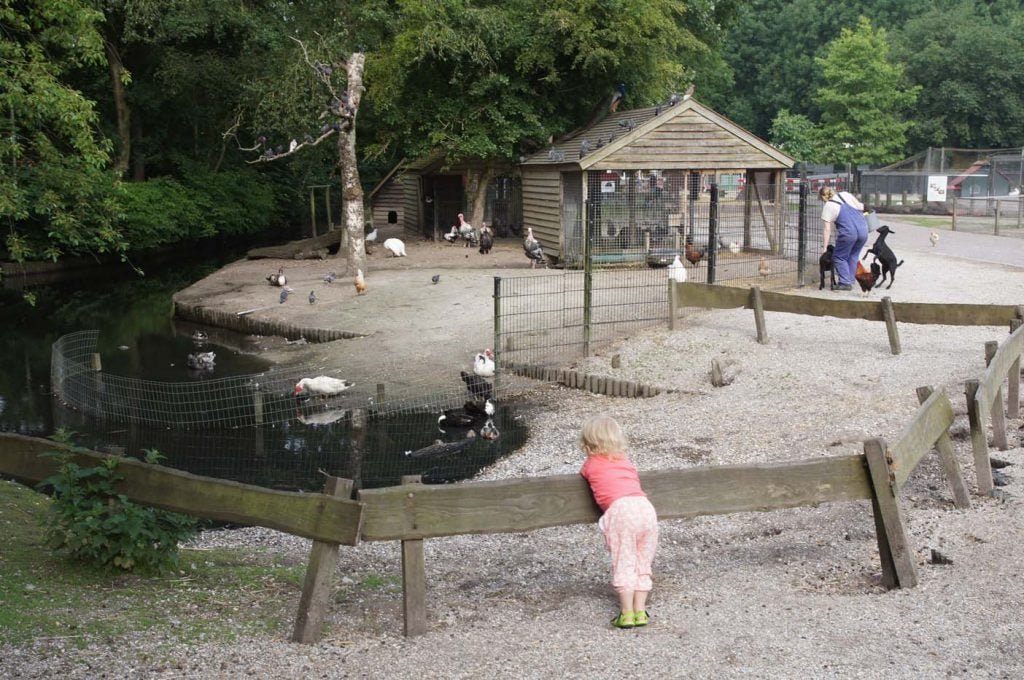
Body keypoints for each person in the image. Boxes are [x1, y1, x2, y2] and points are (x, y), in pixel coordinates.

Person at [579, 414, 659, 629]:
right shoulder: (626, 462)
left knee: (624, 560)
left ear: (588, 443)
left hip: (621, 511)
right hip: (646, 509)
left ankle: (626, 613)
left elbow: (586, 476)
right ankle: (640, 611)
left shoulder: (590, 464)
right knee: (643, 561)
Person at [819, 185, 869, 291]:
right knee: (854, 255)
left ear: (823, 197)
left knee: (839, 256)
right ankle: (850, 280)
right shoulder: (846, 194)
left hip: (848, 233)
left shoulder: (828, 205)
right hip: (863, 230)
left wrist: (824, 248)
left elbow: (827, 229)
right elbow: (861, 207)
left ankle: (845, 282)